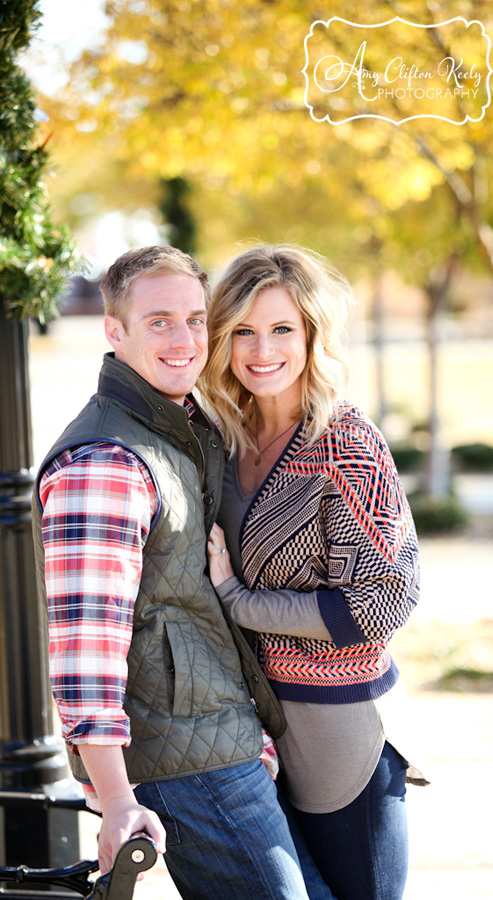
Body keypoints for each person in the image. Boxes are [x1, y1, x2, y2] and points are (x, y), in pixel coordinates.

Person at [31, 245, 331, 900]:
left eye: (196, 319)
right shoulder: (105, 461)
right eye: (159, 320)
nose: (184, 338)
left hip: (223, 736)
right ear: (115, 331)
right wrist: (114, 799)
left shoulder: (181, 426)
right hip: (186, 758)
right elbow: (85, 647)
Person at [201, 244, 427, 900]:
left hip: (339, 735)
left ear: (312, 335)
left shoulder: (346, 445)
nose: (260, 350)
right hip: (251, 733)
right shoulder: (222, 435)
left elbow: (388, 598)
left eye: (281, 330)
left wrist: (238, 601)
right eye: (242, 330)